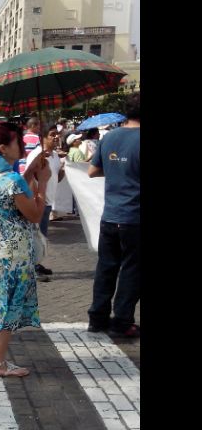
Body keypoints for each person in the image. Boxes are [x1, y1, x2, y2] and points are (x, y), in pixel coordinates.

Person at [0, 122, 51, 377]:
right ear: (4, 148)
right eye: (17, 142)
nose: (22, 145)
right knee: (7, 306)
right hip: (14, 256)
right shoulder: (12, 180)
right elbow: (35, 215)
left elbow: (14, 195)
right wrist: (43, 183)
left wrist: (32, 174)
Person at [87, 92, 140, 338]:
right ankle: (121, 321)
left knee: (106, 268)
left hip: (110, 216)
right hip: (134, 218)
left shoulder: (109, 138)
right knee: (132, 270)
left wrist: (117, 170)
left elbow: (92, 171)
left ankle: (97, 318)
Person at [26, 124, 66, 280]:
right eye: (52, 134)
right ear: (42, 137)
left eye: (57, 134)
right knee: (35, 237)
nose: (56, 137)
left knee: (41, 237)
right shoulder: (36, 155)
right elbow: (28, 179)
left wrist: (62, 171)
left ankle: (36, 264)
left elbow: (56, 178)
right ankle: (31, 269)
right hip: (38, 202)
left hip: (49, 202)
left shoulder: (55, 155)